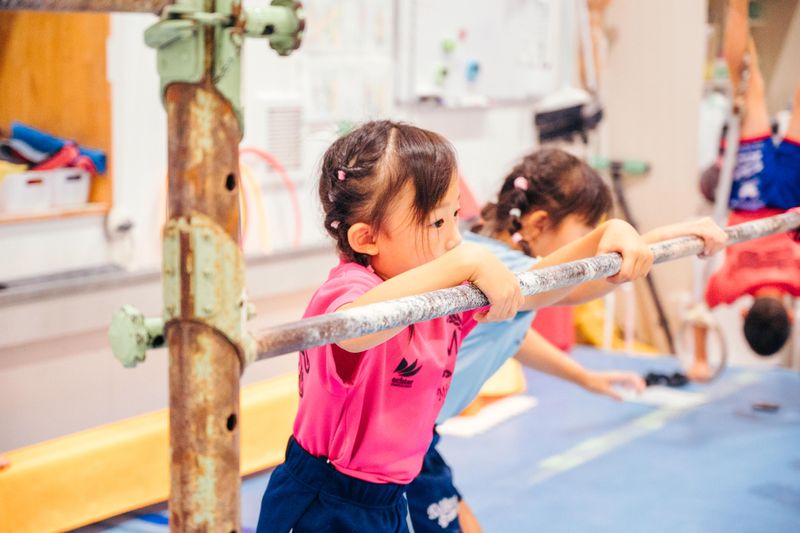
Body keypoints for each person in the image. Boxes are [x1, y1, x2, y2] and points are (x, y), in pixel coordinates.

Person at [256, 121, 656, 532]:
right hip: (325, 499)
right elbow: (356, 328)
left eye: (454, 217)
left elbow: (537, 287)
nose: (454, 239)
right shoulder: (348, 289)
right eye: (436, 224)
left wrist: (609, 234)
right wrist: (466, 262)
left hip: (389, 496)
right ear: (367, 238)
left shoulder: (445, 293)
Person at [406, 148, 728, 532]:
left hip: (418, 436)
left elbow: (511, 337)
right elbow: (581, 283)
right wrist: (648, 238)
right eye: (584, 233)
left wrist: (584, 377)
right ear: (539, 224)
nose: (588, 246)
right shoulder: (498, 271)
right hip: (397, 439)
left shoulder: (490, 259)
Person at [691, 0, 800, 380]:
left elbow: (699, 312)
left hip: (790, 201)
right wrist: (699, 360)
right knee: (750, 90)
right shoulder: (728, 288)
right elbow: (699, 313)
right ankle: (737, 7)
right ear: (742, 312)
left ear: (791, 316)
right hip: (752, 200)